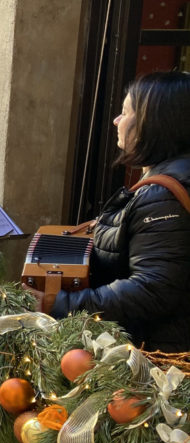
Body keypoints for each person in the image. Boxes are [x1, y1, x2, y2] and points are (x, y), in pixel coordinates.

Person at [34, 72, 190, 353]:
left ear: (154, 124)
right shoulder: (170, 182)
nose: (117, 121)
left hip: (160, 357)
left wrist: (55, 303)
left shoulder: (163, 196)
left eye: (125, 113)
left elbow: (152, 289)